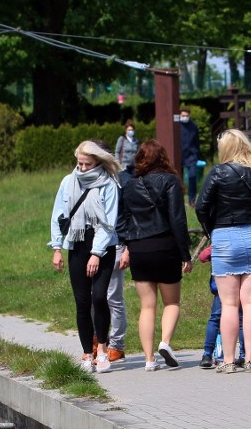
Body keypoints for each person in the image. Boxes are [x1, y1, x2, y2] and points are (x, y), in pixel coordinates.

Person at [195, 129, 251, 374]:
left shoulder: (218, 173)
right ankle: (250, 359)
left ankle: (228, 361)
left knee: (229, 304)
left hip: (225, 238)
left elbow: (200, 207)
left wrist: (212, 230)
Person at [117, 140, 192, 371]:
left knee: (147, 306)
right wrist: (185, 254)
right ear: (163, 158)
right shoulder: (170, 181)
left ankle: (149, 360)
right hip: (165, 246)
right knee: (171, 302)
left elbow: (122, 221)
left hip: (139, 248)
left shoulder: (129, 186)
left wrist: (128, 244)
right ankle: (165, 343)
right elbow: (177, 220)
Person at [49, 140, 122, 374]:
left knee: (99, 297)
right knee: (82, 301)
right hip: (77, 244)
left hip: (103, 246)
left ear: (98, 162)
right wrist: (57, 248)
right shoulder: (68, 182)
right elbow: (58, 215)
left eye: (87, 164)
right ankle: (87, 354)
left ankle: (102, 350)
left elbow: (108, 223)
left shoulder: (108, 184)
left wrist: (96, 254)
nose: (82, 168)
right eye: (79, 163)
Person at [89, 139, 129, 364]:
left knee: (113, 297)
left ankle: (117, 345)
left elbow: (126, 217)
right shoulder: (85, 180)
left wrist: (127, 248)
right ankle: (97, 340)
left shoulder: (120, 181)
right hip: (92, 246)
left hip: (116, 245)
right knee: (95, 297)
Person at [198, 244, 245, 369]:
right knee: (241, 321)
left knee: (215, 319)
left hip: (221, 288)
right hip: (240, 288)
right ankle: (244, 355)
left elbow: (202, 257)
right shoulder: (243, 242)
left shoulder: (220, 241)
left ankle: (207, 354)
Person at [179, 107, 201, 206]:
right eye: (183, 116)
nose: (185, 117)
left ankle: (192, 200)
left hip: (191, 156)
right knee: (177, 178)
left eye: (187, 116)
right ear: (180, 116)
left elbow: (197, 141)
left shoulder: (193, 126)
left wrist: (196, 154)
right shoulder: (176, 126)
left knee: (192, 176)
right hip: (179, 155)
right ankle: (179, 199)